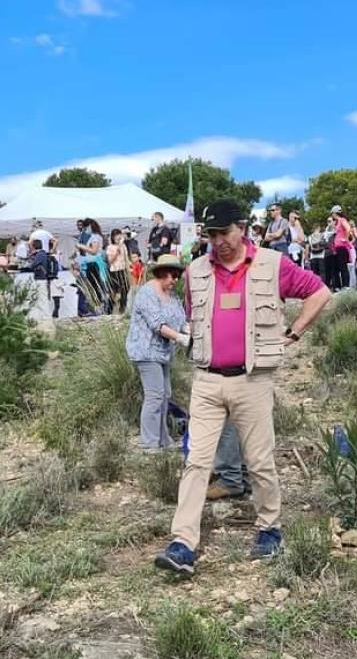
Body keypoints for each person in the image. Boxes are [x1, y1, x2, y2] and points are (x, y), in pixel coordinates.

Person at [154, 199, 331, 577]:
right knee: (197, 462)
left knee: (260, 460)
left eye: (224, 232)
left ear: (243, 228)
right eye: (211, 234)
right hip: (208, 379)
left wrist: (294, 333)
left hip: (252, 379)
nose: (218, 241)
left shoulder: (273, 264)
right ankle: (182, 543)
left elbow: (320, 292)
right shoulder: (195, 272)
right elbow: (195, 317)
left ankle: (270, 530)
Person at [126, 254, 188, 450]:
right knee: (154, 395)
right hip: (146, 351)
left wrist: (190, 331)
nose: (175, 280)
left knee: (165, 394)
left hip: (163, 353)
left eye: (177, 276)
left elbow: (180, 320)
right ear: (161, 273)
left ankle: (163, 439)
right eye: (172, 275)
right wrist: (180, 337)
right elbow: (157, 325)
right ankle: (149, 442)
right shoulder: (146, 293)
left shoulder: (172, 296)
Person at [106, 229, 131, 314]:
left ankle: (122, 310)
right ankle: (109, 310)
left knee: (125, 290)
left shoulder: (123, 246)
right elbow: (110, 261)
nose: (118, 237)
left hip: (123, 270)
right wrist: (117, 251)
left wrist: (129, 269)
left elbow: (126, 258)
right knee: (114, 292)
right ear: (113, 237)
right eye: (116, 235)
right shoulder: (110, 247)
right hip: (114, 271)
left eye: (119, 235)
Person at [330, 207, 355, 290]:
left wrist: (346, 239)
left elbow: (348, 229)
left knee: (343, 266)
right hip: (338, 247)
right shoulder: (338, 222)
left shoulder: (342, 220)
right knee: (339, 266)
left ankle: (346, 285)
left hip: (342, 246)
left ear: (335, 213)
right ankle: (342, 285)